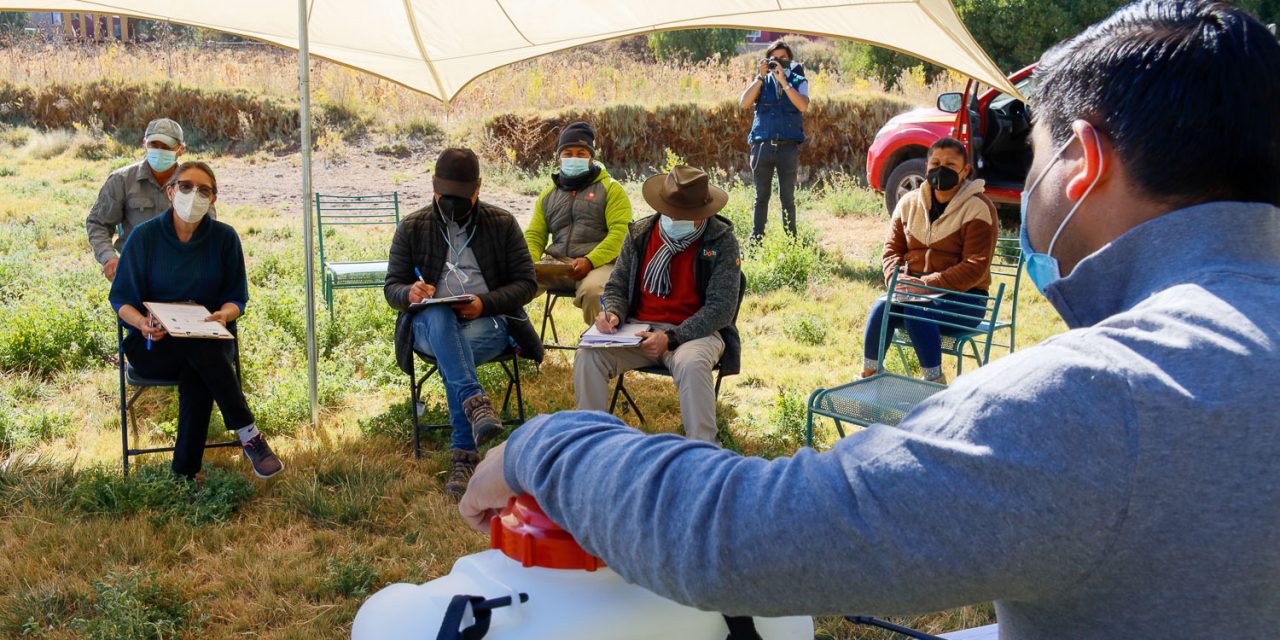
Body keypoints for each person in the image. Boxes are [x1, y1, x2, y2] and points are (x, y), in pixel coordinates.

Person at [460, 2, 1280, 637]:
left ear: (1084, 161)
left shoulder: (1108, 400)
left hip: (697, 349)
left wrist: (545, 442)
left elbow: (738, 537)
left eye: (1032, 158)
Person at [109, 161, 283, 480]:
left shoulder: (225, 238)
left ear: (213, 199)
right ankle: (249, 433)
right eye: (186, 186)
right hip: (153, 344)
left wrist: (224, 315)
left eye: (204, 190)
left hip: (209, 338)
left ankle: (185, 474)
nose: (194, 195)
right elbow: (120, 298)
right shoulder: (144, 238)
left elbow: (237, 297)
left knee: (199, 364)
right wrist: (141, 323)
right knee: (205, 359)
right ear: (171, 190)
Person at [384, 148, 540, 498]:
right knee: (439, 317)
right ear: (434, 190)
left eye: (461, 197)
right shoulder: (412, 226)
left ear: (478, 190)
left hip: (489, 323)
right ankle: (473, 406)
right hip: (430, 326)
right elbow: (391, 287)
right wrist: (410, 291)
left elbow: (526, 283)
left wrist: (485, 303)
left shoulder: (501, 223)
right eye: (445, 197)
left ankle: (464, 454)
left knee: (455, 352)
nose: (451, 203)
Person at [571, 165, 741, 444]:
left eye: (685, 216)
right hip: (638, 329)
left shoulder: (721, 241)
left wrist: (672, 338)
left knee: (692, 363)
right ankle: (590, 442)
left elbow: (721, 308)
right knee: (589, 354)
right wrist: (612, 311)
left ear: (702, 213)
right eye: (671, 212)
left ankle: (704, 450)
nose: (675, 219)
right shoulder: (640, 234)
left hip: (694, 333)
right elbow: (617, 285)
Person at [861, 137, 998, 384]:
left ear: (965, 170)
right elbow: (892, 250)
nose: (940, 168)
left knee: (917, 310)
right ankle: (869, 375)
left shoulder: (978, 207)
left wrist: (926, 285)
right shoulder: (908, 203)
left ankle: (934, 383)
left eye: (950, 164)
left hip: (966, 300)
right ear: (926, 166)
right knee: (883, 304)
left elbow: (975, 267)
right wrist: (897, 280)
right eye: (935, 162)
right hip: (914, 295)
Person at [524, 121, 633, 325]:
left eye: (581, 153)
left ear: (591, 157)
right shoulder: (548, 195)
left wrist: (590, 260)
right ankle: (514, 340)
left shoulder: (611, 189)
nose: (574, 158)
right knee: (512, 284)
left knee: (594, 292)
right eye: (568, 153)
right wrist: (530, 261)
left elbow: (621, 233)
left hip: (599, 265)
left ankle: (602, 349)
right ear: (559, 157)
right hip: (556, 265)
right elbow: (535, 235)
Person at [88, 118, 204, 282]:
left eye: (166, 147)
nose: (159, 151)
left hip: (183, 274)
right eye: (154, 145)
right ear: (144, 144)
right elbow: (98, 223)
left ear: (180, 149)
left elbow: (209, 229)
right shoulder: (122, 180)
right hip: (134, 272)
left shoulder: (194, 184)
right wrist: (109, 258)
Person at [738, 40, 809, 241]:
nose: (779, 62)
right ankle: (756, 240)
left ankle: (791, 241)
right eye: (774, 58)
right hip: (762, 147)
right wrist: (760, 77)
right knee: (761, 197)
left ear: (790, 60)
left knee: (787, 198)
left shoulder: (798, 81)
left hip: (788, 148)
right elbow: (744, 103)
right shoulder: (761, 80)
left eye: (783, 58)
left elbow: (803, 106)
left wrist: (785, 83)